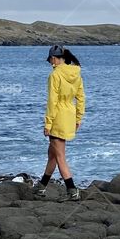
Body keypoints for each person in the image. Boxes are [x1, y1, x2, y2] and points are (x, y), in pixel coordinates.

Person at [35, 45, 86, 201]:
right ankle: (41, 187)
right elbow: (81, 97)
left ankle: (72, 191)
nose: (51, 63)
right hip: (69, 116)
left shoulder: (55, 75)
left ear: (54, 58)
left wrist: (48, 124)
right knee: (52, 154)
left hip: (58, 117)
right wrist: (78, 118)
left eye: (51, 60)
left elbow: (52, 101)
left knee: (60, 156)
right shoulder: (76, 73)